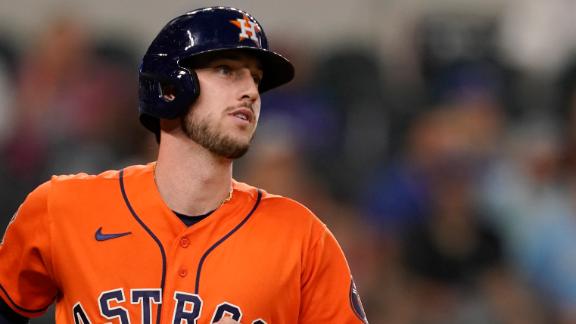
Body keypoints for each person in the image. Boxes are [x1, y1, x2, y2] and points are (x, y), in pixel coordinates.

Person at [0, 6, 368, 324]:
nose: (251, 91)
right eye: (227, 70)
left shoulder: (303, 239)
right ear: (170, 87)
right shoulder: (61, 208)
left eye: (255, 78)